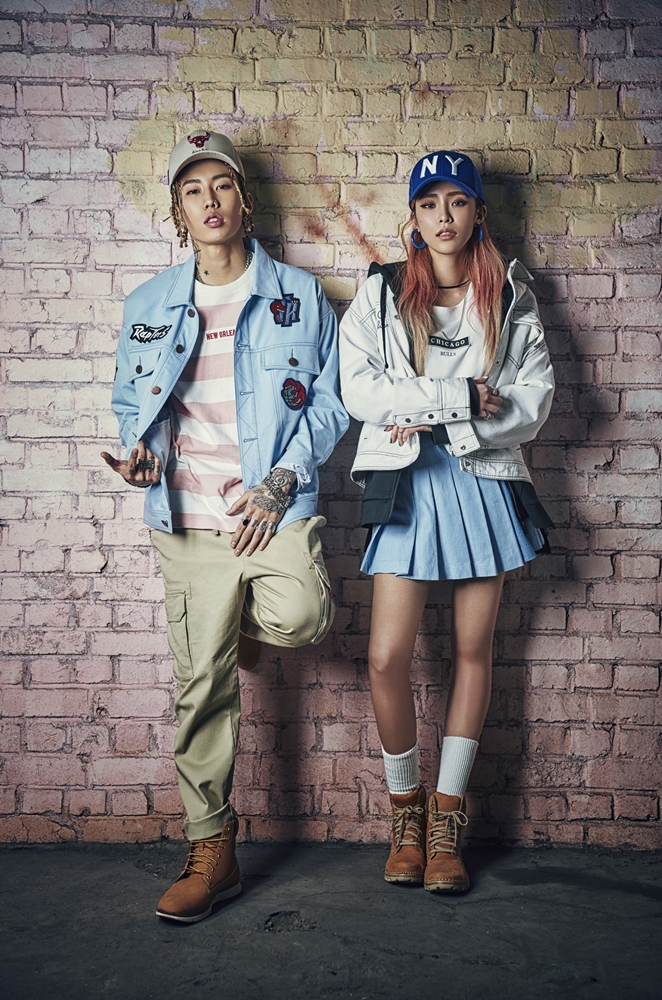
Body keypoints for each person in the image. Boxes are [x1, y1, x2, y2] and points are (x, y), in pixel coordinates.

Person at [101, 129, 348, 922]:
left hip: (270, 508)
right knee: (201, 686)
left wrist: (281, 481)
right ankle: (212, 846)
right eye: (192, 191)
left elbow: (334, 400)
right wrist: (140, 454)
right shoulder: (147, 305)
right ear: (178, 212)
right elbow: (132, 404)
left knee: (304, 617)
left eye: (222, 186)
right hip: (185, 517)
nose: (209, 202)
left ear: (245, 200)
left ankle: (237, 621)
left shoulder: (299, 295)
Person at [339, 150, 554, 894]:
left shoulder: (511, 295)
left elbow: (532, 403)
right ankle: (405, 815)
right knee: (385, 657)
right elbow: (361, 391)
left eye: (456, 202)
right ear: (414, 217)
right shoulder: (381, 292)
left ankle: (445, 822)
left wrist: (433, 409)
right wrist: (460, 397)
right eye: (429, 204)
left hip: (480, 481)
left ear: (478, 213)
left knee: (472, 652)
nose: (443, 217)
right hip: (406, 482)